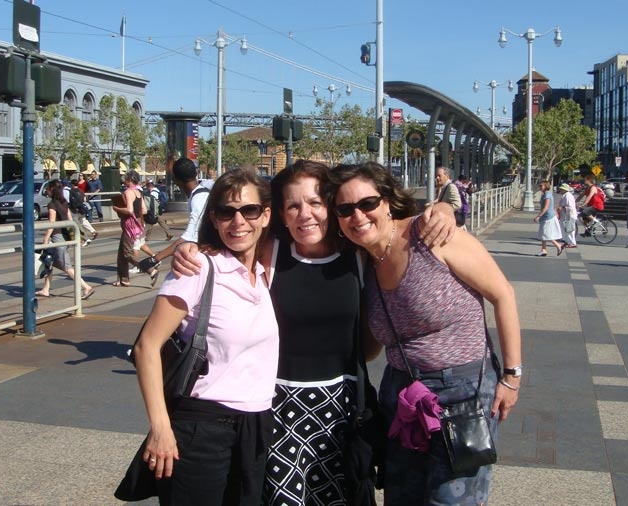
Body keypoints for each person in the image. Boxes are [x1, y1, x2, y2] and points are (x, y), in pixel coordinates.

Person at [170, 161, 457, 505]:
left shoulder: (356, 252)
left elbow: (393, 225)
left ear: (331, 206)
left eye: (315, 203)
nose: (305, 214)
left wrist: (444, 208)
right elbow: (230, 240)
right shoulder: (271, 250)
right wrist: (192, 248)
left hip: (343, 409)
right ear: (280, 213)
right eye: (293, 205)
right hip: (278, 407)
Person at [329, 162, 521, 506]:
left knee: (451, 501)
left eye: (367, 204)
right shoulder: (362, 260)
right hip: (404, 398)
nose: (357, 216)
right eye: (345, 209)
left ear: (387, 201)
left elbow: (502, 293)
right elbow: (373, 346)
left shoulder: (430, 234)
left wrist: (512, 376)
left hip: (464, 393)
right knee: (402, 498)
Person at [132, 169, 279, 506]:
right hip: (201, 428)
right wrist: (160, 428)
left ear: (266, 215)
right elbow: (146, 346)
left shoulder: (264, 271)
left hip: (256, 425)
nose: (238, 221)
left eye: (249, 210)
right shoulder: (199, 267)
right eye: (226, 211)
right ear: (213, 217)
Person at [36, 179, 94, 299]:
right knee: (50, 262)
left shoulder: (52, 204)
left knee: (67, 267)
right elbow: (69, 220)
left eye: (47, 189)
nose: (46, 191)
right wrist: (77, 235)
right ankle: (46, 289)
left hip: (58, 237)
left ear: (52, 190)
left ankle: (86, 287)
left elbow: (52, 223)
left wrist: (46, 238)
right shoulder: (64, 202)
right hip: (65, 236)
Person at [146, 158, 211, 264]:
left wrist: (155, 259)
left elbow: (189, 237)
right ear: (196, 173)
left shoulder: (199, 198)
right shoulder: (197, 195)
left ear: (176, 180)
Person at [112, 169, 158, 287]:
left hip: (129, 225)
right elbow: (144, 210)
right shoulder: (138, 192)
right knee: (121, 254)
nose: (124, 181)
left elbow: (129, 210)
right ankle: (124, 279)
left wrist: (117, 209)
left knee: (127, 253)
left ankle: (150, 270)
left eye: (125, 179)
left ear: (130, 179)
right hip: (137, 224)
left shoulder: (128, 192)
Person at [534, 180, 564, 257]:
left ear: (546, 186)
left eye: (541, 185)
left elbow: (546, 207)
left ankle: (558, 245)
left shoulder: (547, 195)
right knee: (543, 234)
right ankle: (544, 250)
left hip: (548, 217)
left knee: (546, 234)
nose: (540, 187)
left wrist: (538, 216)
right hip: (545, 217)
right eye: (540, 186)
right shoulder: (544, 194)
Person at [64, 179, 98, 246]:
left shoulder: (71, 191)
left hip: (74, 211)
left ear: (72, 184)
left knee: (77, 225)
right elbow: (85, 199)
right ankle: (93, 231)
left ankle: (85, 238)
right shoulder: (81, 191)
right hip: (82, 209)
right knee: (83, 221)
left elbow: (69, 201)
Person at [556, 183, 578, 248]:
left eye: (561, 189)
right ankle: (567, 241)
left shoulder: (568, 196)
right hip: (566, 215)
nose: (560, 190)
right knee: (565, 229)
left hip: (569, 215)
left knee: (569, 229)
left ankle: (572, 243)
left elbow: (570, 207)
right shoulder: (565, 195)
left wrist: (562, 208)